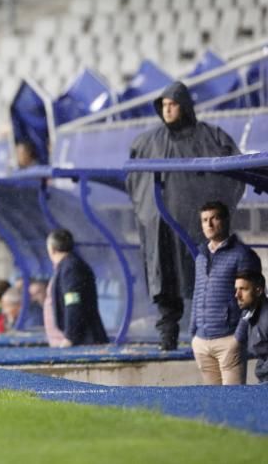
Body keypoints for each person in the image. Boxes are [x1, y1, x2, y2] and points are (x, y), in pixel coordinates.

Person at [126, 81, 244, 350]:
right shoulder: (147, 142)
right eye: (164, 105)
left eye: (172, 105)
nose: (167, 110)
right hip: (160, 229)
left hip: (194, 227)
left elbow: (232, 175)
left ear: (185, 106)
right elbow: (133, 181)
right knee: (165, 281)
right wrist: (148, 214)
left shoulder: (211, 136)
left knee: (208, 281)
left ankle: (215, 336)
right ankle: (167, 337)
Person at [190, 201, 261, 385]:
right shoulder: (200, 256)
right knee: (211, 405)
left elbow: (253, 300)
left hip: (228, 340)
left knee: (233, 403)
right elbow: (197, 293)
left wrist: (238, 338)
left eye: (214, 218)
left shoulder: (243, 255)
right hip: (202, 342)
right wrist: (194, 333)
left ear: (226, 220)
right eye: (205, 220)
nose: (209, 225)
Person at [46, 229, 109, 347]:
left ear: (52, 249)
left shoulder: (71, 268)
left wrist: (70, 337)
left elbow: (73, 302)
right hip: (82, 339)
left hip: (85, 340)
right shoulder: (68, 265)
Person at [235, 270, 268, 385]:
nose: (237, 295)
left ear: (258, 291)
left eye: (243, 289)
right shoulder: (250, 314)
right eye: (236, 289)